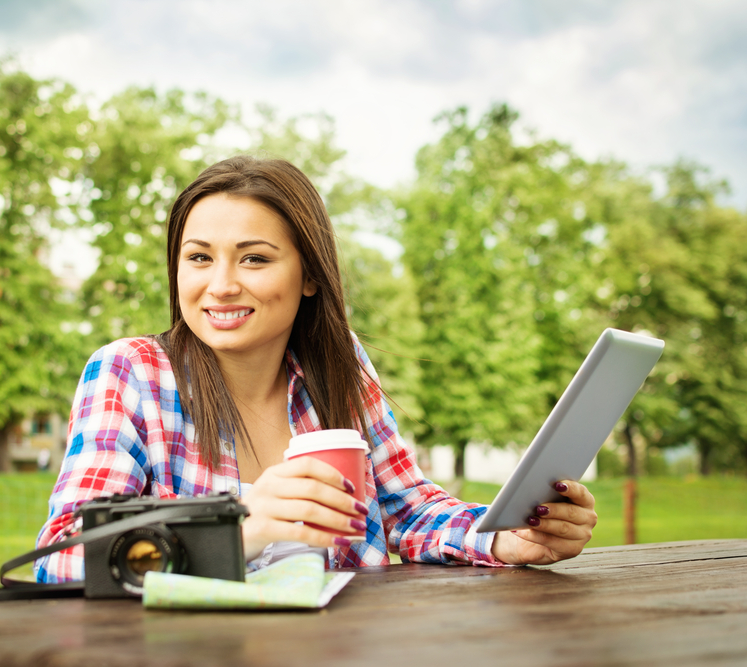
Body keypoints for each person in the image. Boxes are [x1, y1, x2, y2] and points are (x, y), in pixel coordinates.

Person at [34, 155, 597, 582]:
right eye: (199, 257)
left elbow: (409, 509)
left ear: (309, 277)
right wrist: (237, 530)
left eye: (254, 258)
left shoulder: (338, 364)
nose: (221, 284)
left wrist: (504, 538)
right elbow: (60, 557)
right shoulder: (130, 373)